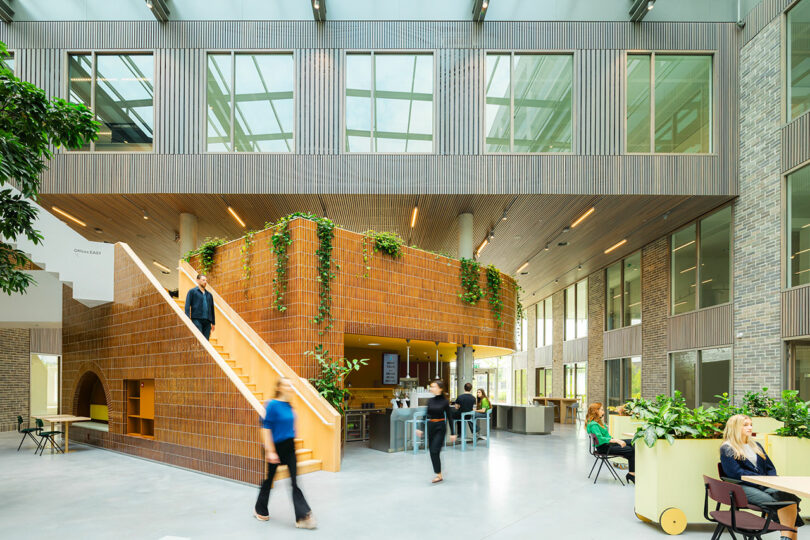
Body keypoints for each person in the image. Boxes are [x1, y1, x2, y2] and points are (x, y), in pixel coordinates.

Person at [720, 414, 802, 540]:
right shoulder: (727, 448)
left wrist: (771, 480)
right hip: (743, 487)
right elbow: (735, 473)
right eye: (745, 425)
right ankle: (788, 538)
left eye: (751, 424)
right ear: (735, 427)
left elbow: (770, 467)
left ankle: (786, 538)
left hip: (764, 484)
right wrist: (760, 480)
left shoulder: (755, 445)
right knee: (783, 502)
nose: (750, 427)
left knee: (789, 497)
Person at [254, 378, 317, 529]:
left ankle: (302, 517)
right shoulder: (272, 405)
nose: (290, 388)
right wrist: (270, 451)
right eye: (287, 385)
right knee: (269, 480)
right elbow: (265, 428)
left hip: (289, 447)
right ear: (280, 388)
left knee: (294, 481)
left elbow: (292, 426)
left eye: (291, 386)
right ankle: (260, 508)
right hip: (275, 447)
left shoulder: (289, 405)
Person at [416, 379, 456, 484]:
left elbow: (450, 418)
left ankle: (439, 474)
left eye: (433, 386)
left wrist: (453, 433)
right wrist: (420, 427)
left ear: (440, 388)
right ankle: (439, 474)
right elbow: (426, 415)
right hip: (431, 427)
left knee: (434, 450)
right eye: (431, 386)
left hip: (440, 427)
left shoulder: (445, 401)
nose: (431, 388)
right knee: (433, 451)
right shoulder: (430, 401)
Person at [585, 402, 635, 484]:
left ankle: (632, 473)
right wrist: (617, 440)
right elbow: (600, 439)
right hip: (604, 448)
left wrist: (602, 421)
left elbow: (606, 436)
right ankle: (632, 474)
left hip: (607, 444)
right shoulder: (593, 425)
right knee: (631, 450)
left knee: (632, 442)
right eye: (601, 410)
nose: (603, 412)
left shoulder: (597, 422)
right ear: (595, 411)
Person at [184, 273, 215, 340]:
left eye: (206, 280)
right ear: (197, 280)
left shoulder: (209, 295)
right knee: (199, 339)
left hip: (207, 321)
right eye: (203, 280)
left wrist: (213, 323)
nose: (205, 282)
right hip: (197, 319)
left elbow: (212, 309)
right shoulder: (192, 292)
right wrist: (187, 318)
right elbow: (187, 305)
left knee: (206, 342)